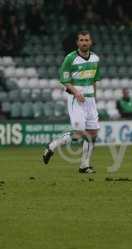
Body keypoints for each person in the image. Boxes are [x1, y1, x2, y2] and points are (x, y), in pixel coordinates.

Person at [42, 31, 101, 174]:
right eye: (81, 40)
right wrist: (76, 92)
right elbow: (64, 81)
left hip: (90, 100)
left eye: (87, 40)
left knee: (92, 133)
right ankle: (52, 146)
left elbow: (94, 80)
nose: (84, 42)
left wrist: (94, 98)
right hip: (76, 100)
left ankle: (84, 165)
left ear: (91, 42)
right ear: (77, 42)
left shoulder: (95, 59)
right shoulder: (70, 58)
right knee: (79, 134)